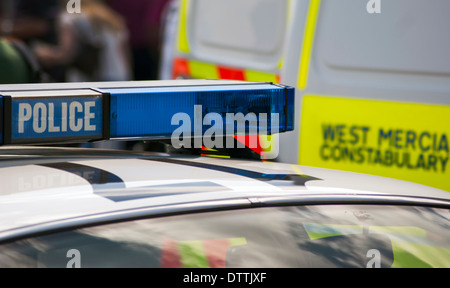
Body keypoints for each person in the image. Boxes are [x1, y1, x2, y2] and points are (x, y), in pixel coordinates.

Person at [33, 0, 132, 82]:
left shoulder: (70, 18)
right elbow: (124, 55)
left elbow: (66, 54)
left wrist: (41, 53)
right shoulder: (112, 18)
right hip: (119, 77)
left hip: (88, 82)